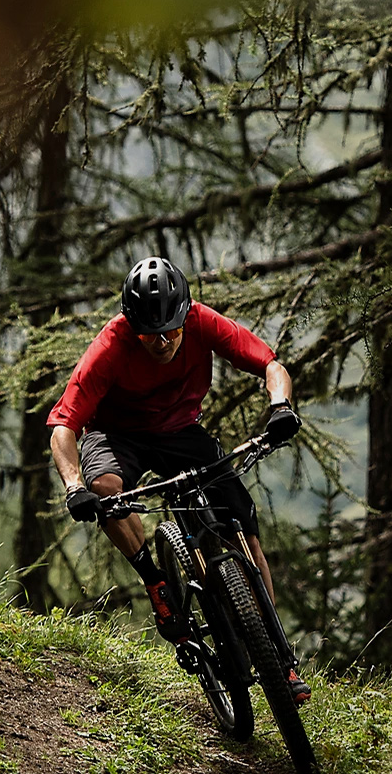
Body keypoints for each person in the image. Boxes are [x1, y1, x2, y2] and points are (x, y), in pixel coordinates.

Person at [47, 255, 307, 698]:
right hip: (118, 435)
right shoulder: (110, 346)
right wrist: (74, 486)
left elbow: (270, 364)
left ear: (185, 313)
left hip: (180, 431)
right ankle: (155, 579)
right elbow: (64, 426)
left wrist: (280, 408)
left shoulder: (203, 322)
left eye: (172, 328)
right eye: (151, 333)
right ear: (133, 325)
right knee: (106, 490)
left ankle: (280, 661)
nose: (164, 340)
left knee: (244, 529)